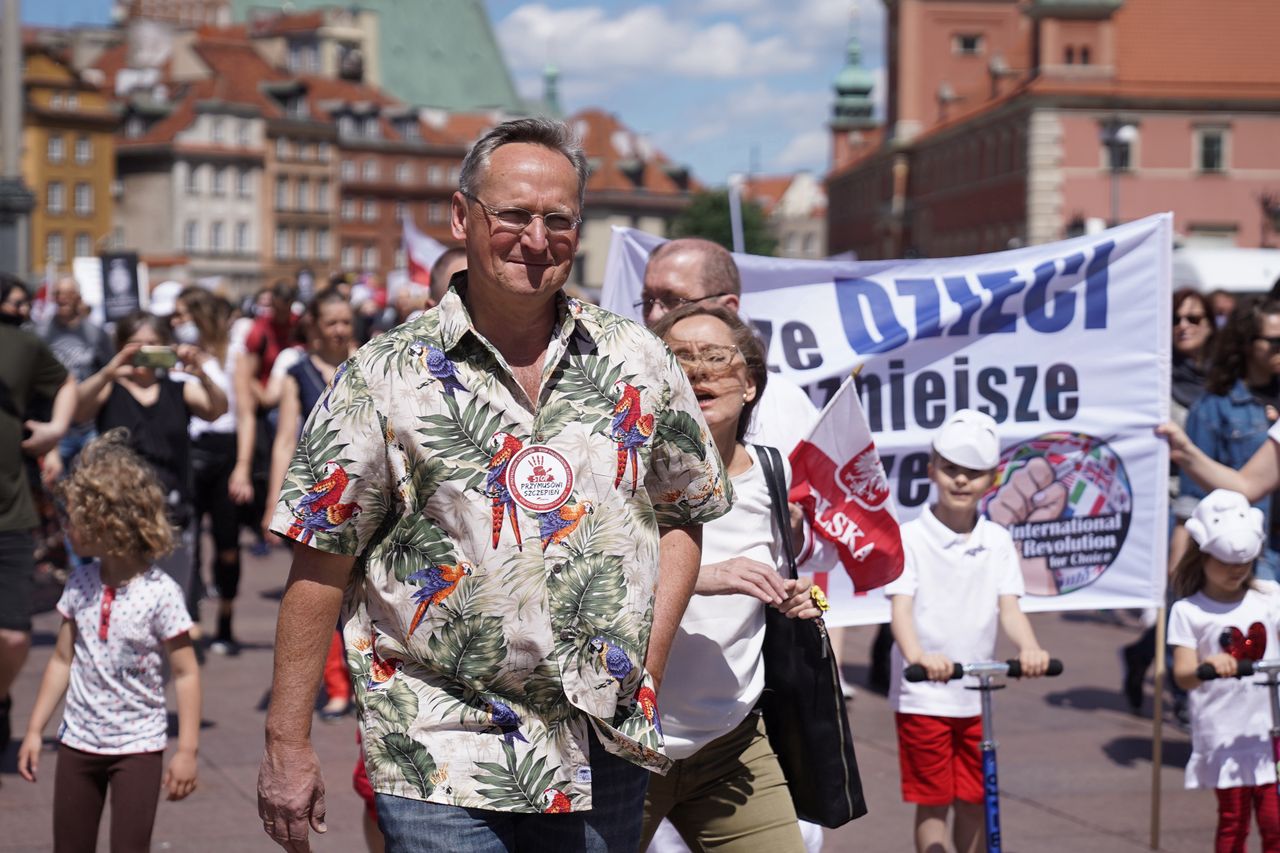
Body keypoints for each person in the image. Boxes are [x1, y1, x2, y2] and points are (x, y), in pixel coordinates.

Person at [257, 117, 731, 853]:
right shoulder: (383, 376)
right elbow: (321, 559)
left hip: (600, 741)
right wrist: (288, 742)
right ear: (462, 217)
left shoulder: (640, 359)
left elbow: (682, 511)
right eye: (512, 214)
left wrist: (650, 664)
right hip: (441, 747)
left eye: (559, 219)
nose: (536, 239)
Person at [641, 303, 822, 852]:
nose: (698, 374)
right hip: (627, 747)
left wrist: (799, 599)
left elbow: (790, 582)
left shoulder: (774, 471)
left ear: (749, 385)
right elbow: (576, 577)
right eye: (679, 360)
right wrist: (698, 574)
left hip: (731, 746)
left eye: (716, 359)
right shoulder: (618, 471)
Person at [16, 429, 201, 852]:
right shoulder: (79, 584)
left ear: (107, 521)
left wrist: (187, 750)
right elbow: (62, 660)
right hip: (78, 742)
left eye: (75, 517)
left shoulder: (160, 593)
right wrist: (33, 730)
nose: (66, 526)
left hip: (138, 747)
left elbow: (187, 673)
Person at [886, 409, 1050, 853]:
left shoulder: (997, 539)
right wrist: (918, 657)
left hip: (977, 693)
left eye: (974, 474)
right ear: (931, 469)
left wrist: (1031, 647)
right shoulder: (910, 537)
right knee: (934, 802)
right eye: (952, 469)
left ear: (992, 480)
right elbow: (900, 609)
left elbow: (1009, 609)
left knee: (977, 799)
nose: (961, 481)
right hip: (925, 694)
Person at [75, 311, 228, 615]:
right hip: (117, 511)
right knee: (119, 604)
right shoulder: (109, 387)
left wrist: (201, 374)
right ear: (121, 346)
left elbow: (217, 409)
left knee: (170, 604)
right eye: (136, 345)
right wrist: (110, 370)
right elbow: (78, 410)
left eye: (152, 344)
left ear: (166, 347)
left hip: (172, 510)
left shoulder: (178, 388)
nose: (144, 351)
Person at [261, 289, 358, 721]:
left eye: (346, 321)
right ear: (314, 327)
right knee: (324, 591)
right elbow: (285, 440)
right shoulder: (297, 373)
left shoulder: (371, 360)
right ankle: (338, 686)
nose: (340, 329)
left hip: (366, 492)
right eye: (332, 322)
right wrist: (273, 503)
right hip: (319, 499)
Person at [1168, 489, 1280, 853]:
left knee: (1275, 822)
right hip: (1225, 731)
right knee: (1233, 824)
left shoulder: (1269, 596)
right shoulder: (1189, 611)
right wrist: (1207, 666)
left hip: (1270, 729)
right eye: (1226, 562)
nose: (1236, 571)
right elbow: (1183, 675)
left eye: (1244, 563)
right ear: (1201, 557)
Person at [1121, 289, 1218, 712]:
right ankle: (1181, 691)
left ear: (1212, 326)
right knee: (1181, 590)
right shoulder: (1155, 382)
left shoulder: (1222, 381)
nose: (1185, 325)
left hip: (1216, 499)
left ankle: (1143, 652)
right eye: (1178, 317)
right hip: (1168, 501)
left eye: (1195, 318)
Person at [0, 271, 78, 752]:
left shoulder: (23, 346)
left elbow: (67, 383)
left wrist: (55, 431)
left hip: (12, 509)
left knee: (12, 637)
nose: (24, 309)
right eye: (17, 301)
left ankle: (2, 697)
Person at [174, 287, 253, 654]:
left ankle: (225, 621)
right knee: (185, 543)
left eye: (182, 316)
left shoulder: (232, 355)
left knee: (226, 546)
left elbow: (246, 414)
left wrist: (242, 467)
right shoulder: (175, 356)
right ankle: (186, 623)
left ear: (199, 317)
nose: (176, 323)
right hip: (188, 453)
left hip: (224, 454)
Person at [1180, 297, 1280, 582]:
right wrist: (1182, 565)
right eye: (1274, 341)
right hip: (1250, 550)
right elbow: (1193, 501)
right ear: (1248, 343)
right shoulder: (1213, 407)